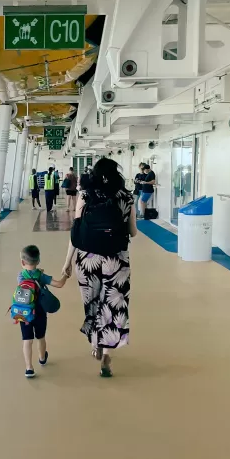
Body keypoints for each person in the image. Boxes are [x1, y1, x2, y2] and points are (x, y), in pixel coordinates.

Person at [62, 157, 137, 378]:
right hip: (117, 260)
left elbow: (77, 232)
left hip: (87, 260)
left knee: (93, 303)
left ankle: (96, 343)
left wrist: (67, 262)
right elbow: (133, 232)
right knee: (113, 307)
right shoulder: (126, 197)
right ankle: (106, 355)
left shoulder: (85, 195)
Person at [15, 244, 69, 378]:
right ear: (38, 261)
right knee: (41, 337)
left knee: (27, 340)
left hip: (24, 313)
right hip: (39, 312)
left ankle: (29, 368)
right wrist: (66, 276)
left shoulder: (20, 276)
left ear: (22, 262)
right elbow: (59, 284)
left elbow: (25, 283)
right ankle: (42, 357)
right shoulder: (42, 276)